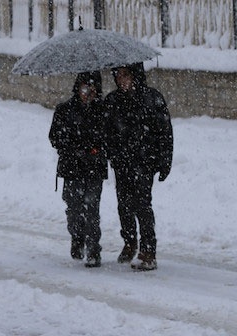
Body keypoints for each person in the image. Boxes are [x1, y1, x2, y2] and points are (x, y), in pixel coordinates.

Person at [103, 63, 173, 271]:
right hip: (122, 162)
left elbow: (164, 132)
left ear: (135, 76)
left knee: (142, 205)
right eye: (119, 76)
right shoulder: (113, 101)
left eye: (126, 75)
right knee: (124, 205)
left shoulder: (152, 98)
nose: (122, 80)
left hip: (144, 162)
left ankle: (148, 250)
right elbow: (107, 132)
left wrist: (164, 160)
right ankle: (129, 241)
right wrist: (113, 153)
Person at [49, 71, 110, 268]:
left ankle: (93, 249)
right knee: (74, 207)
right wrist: (73, 148)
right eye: (84, 88)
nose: (87, 93)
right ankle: (77, 237)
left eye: (92, 89)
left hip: (93, 168)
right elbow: (55, 137)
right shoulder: (64, 110)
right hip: (72, 168)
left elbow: (108, 138)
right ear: (78, 88)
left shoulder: (102, 111)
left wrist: (95, 149)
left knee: (92, 209)